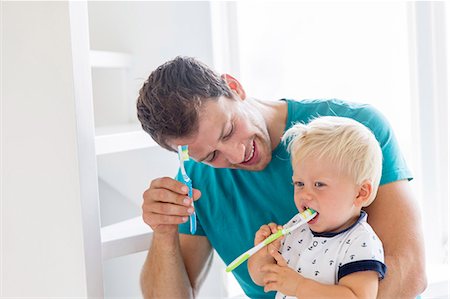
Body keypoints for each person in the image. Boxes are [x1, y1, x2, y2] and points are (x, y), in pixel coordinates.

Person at [136, 56, 426, 298]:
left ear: (234, 88)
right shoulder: (197, 183)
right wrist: (163, 232)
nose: (236, 155)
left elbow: (409, 272)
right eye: (211, 156)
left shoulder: (355, 132)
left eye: (228, 130)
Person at [248, 116, 386, 298]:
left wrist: (299, 287)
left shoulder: (360, 241)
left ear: (360, 193)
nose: (305, 194)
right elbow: (263, 278)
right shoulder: (296, 227)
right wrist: (263, 253)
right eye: (299, 183)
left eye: (319, 184)